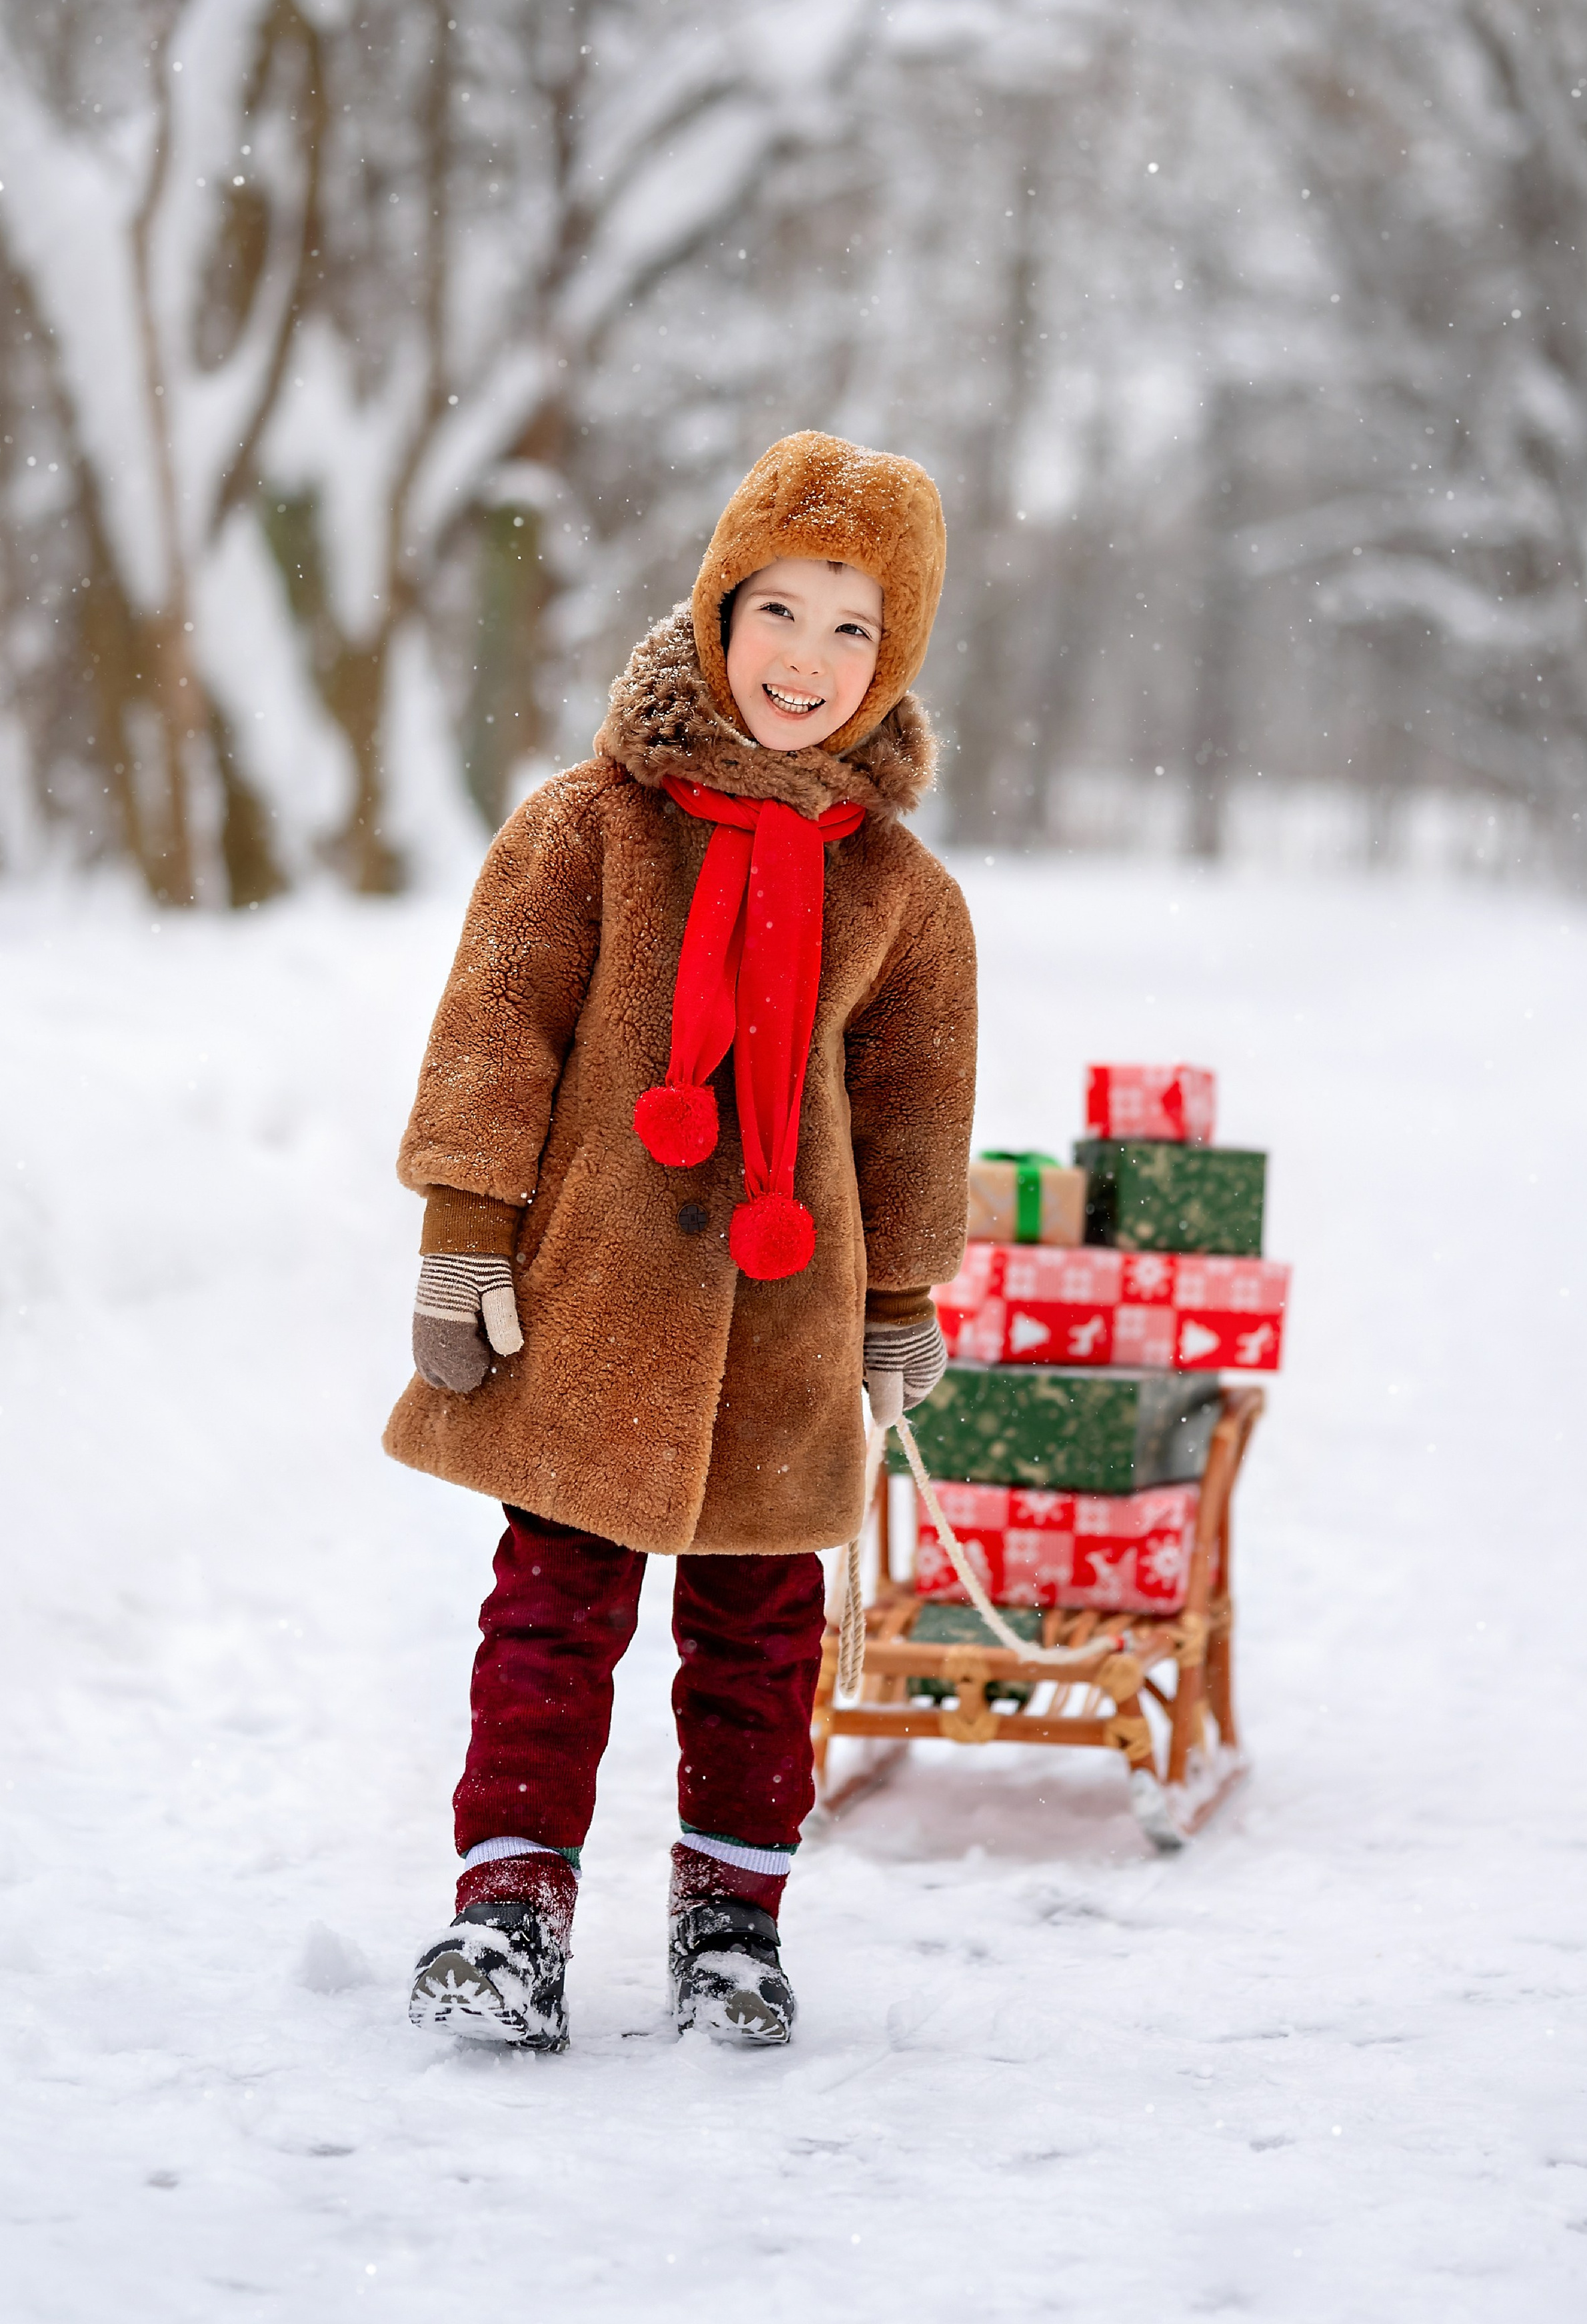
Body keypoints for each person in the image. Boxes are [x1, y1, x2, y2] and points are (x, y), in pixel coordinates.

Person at [389, 431, 977, 2051]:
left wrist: (900, 1293)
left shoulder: (901, 897)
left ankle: (733, 1919)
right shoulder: (589, 827)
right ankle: (507, 1911)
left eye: (854, 629)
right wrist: (462, 1235)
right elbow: (494, 1029)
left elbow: (918, 1107)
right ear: (719, 608)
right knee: (552, 1609)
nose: (809, 658)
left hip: (785, 1322)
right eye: (781, 609)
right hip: (593, 1298)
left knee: (756, 1634)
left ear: (892, 657)